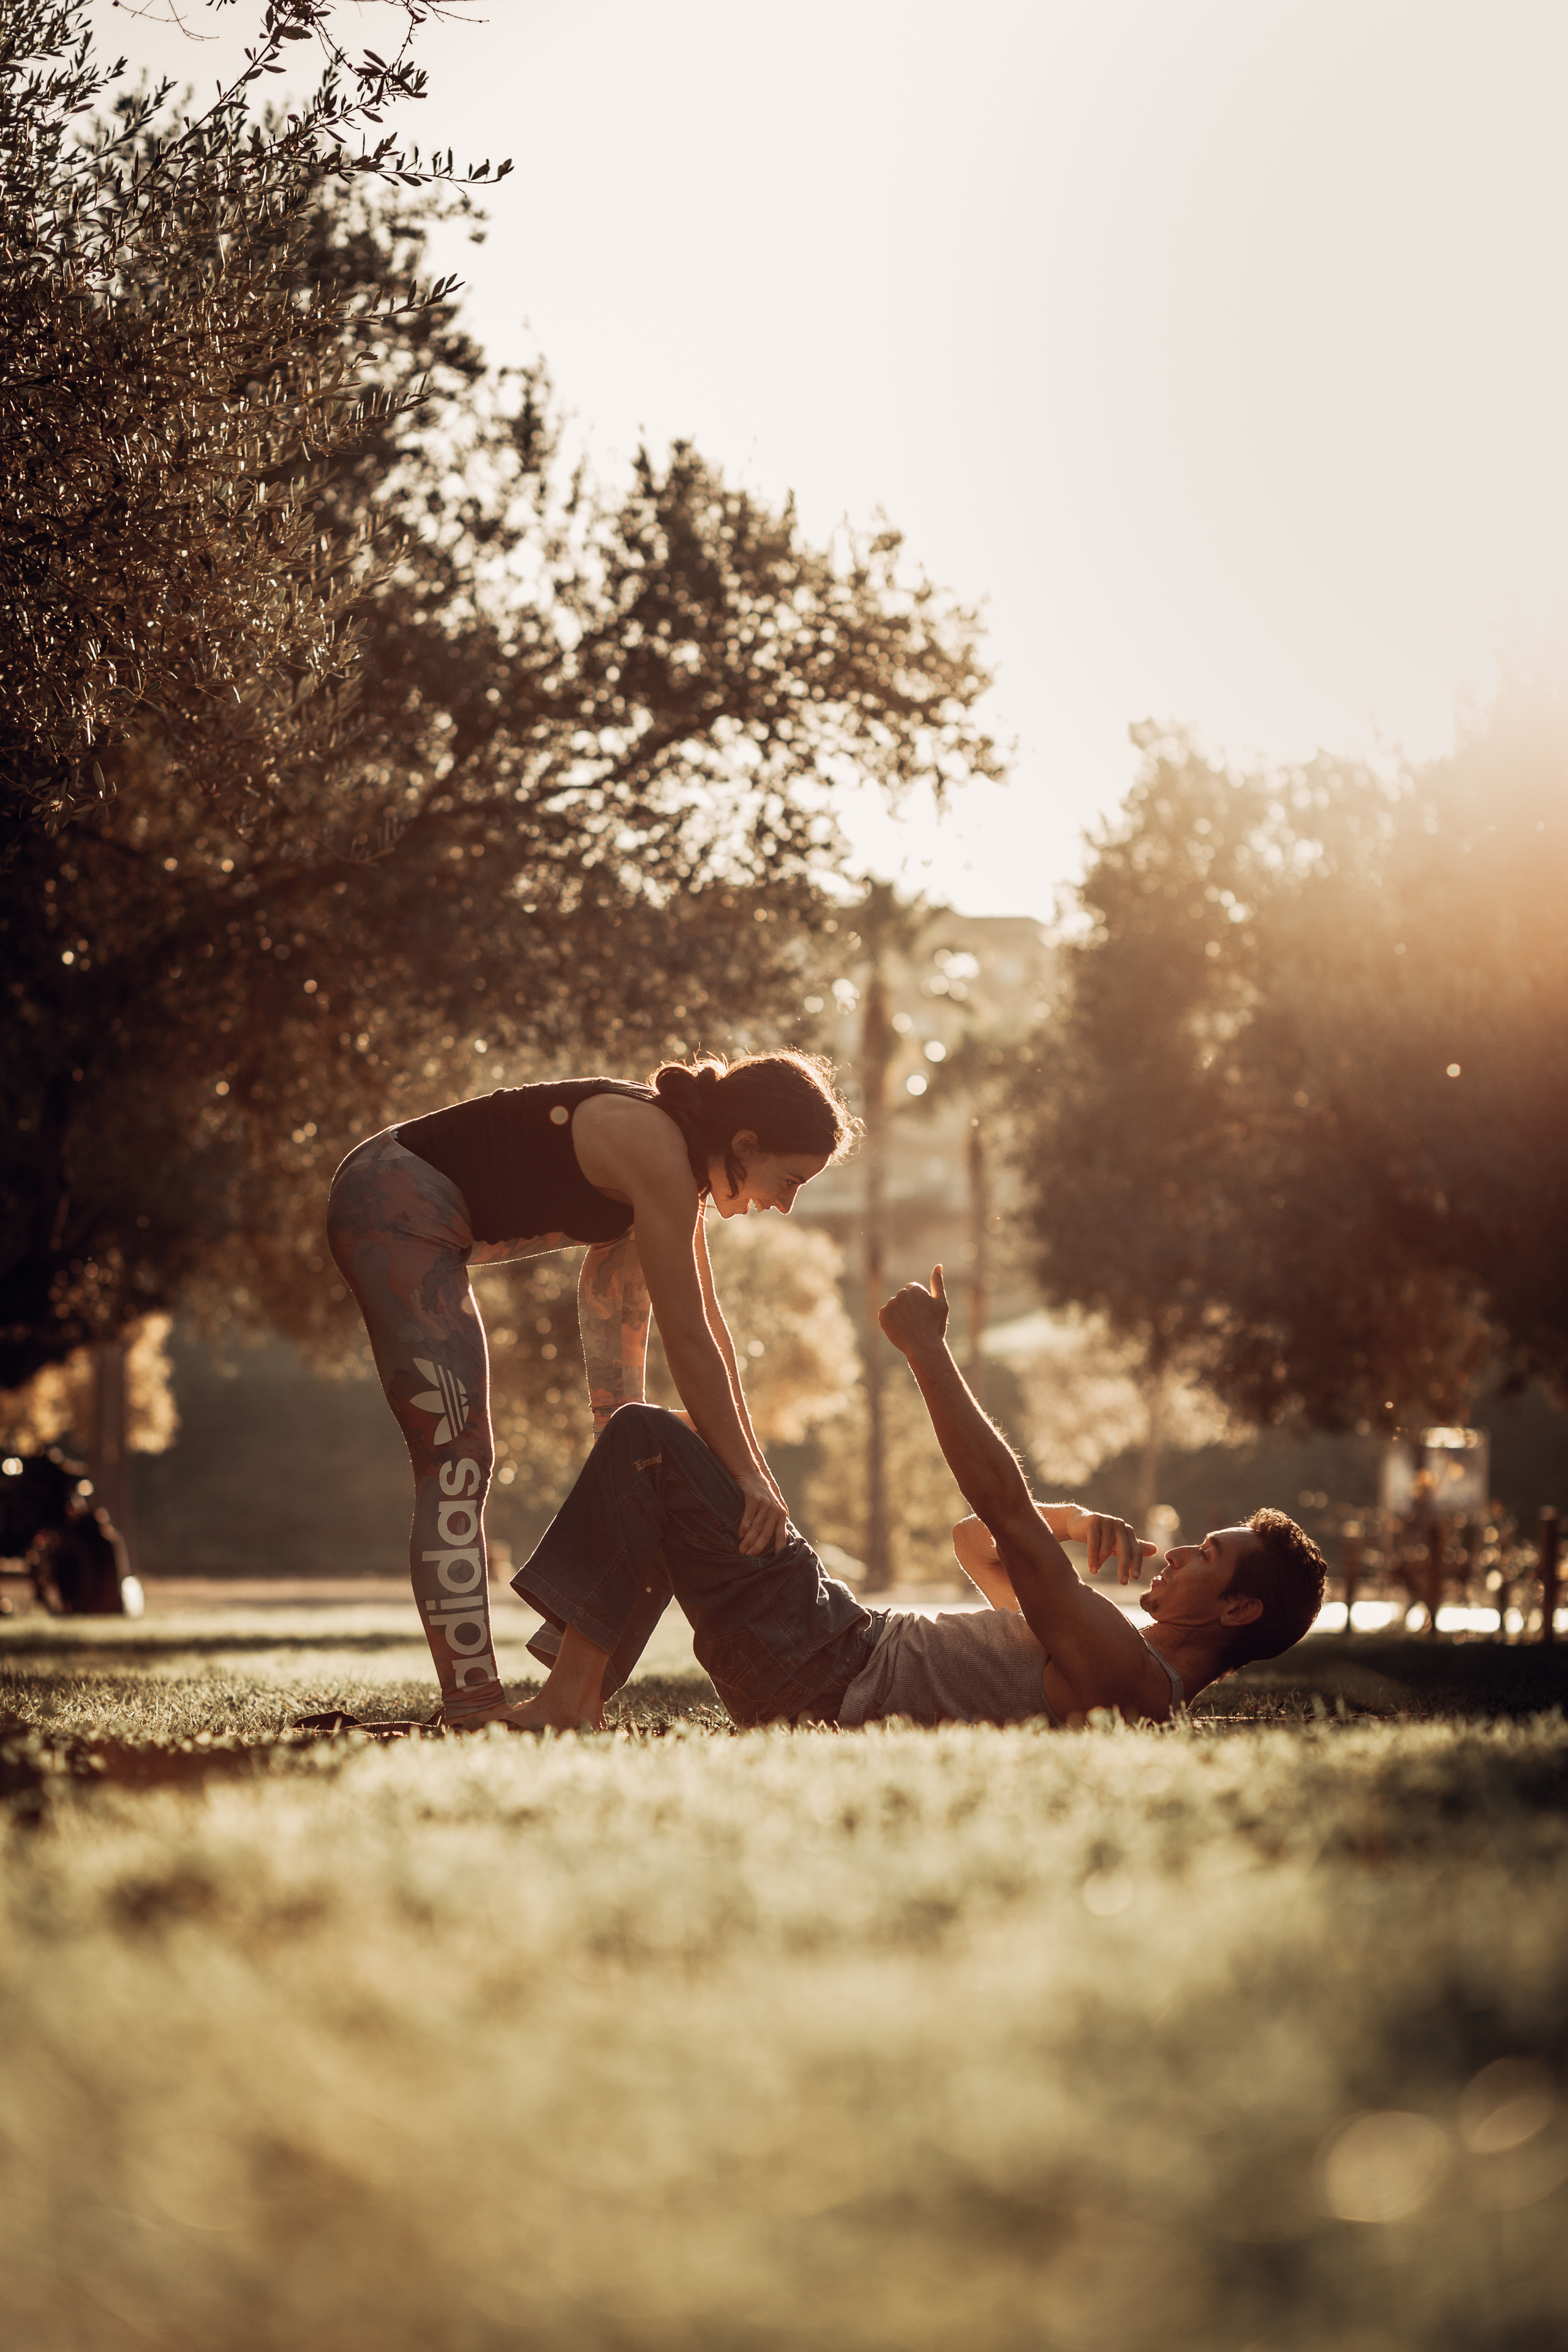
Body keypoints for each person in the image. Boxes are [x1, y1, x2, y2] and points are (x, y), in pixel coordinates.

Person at [505, 1267, 1326, 1732]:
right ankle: (574, 1696)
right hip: (807, 1663)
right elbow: (975, 1541)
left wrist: (927, 1354)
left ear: (1238, 1613)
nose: (1180, 1553)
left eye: (1207, 1558)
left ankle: (571, 1700)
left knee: (648, 1439)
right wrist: (1070, 1522)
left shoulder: (1127, 1669)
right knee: (672, 1464)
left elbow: (999, 1505)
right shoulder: (1097, 1648)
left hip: (822, 1655)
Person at [325, 1052, 856, 1729]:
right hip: (388, 1202)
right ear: (744, 1145)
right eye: (788, 1180)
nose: (784, 1204)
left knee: (647, 1470)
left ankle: (569, 1696)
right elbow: (686, 1338)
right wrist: (748, 1478)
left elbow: (685, 1323)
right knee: (457, 1459)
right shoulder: (657, 1150)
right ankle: (473, 1707)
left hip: (416, 1213)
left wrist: (726, 1473)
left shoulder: (677, 1169)